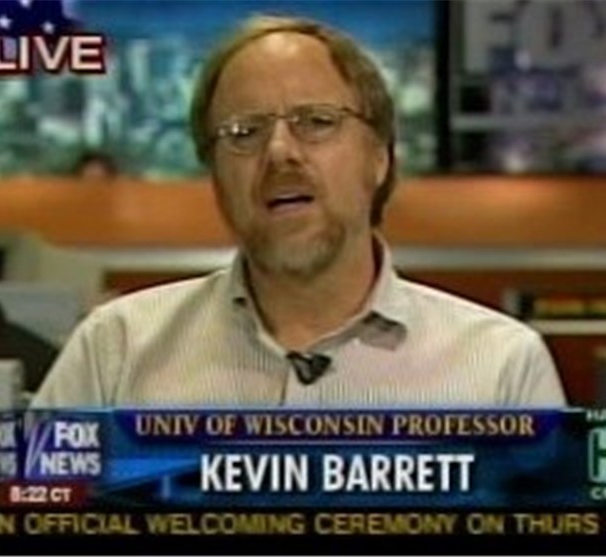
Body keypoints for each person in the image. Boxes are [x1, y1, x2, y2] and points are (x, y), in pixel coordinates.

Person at [32, 15, 566, 408]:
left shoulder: (501, 369)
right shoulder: (115, 351)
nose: (280, 152)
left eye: (316, 122)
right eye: (244, 132)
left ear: (379, 157)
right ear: (213, 172)